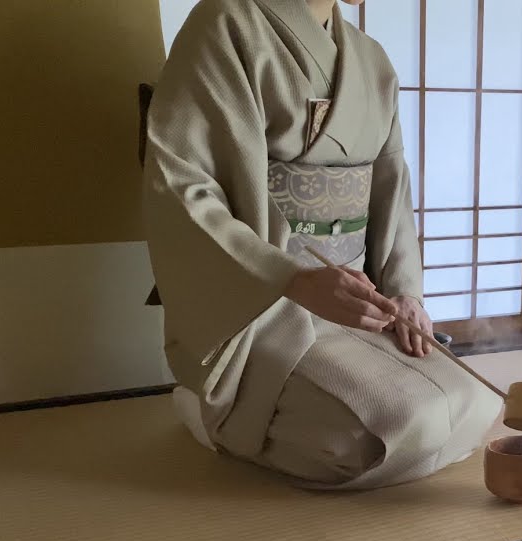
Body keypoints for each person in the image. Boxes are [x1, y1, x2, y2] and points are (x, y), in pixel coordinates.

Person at [143, 0, 503, 490]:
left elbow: (392, 191)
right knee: (369, 439)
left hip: (356, 297)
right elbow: (181, 186)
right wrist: (291, 278)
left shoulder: (371, 59)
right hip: (267, 304)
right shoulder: (226, 24)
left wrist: (405, 294)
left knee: (474, 404)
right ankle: (210, 410)